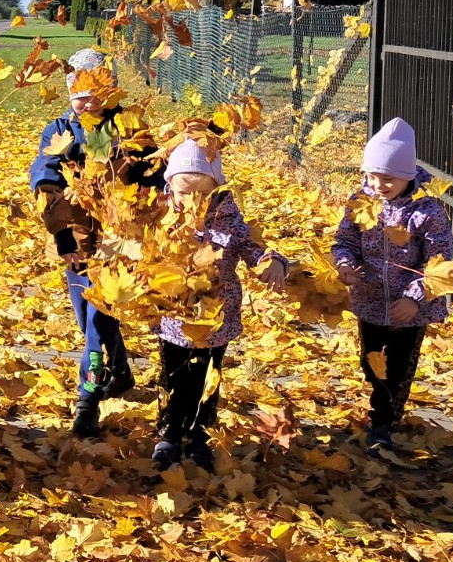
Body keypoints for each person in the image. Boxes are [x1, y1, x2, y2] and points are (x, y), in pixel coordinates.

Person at [28, 48, 164, 437]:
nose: (89, 102)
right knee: (86, 316)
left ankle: (87, 399)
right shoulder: (60, 131)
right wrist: (63, 234)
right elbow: (46, 179)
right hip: (77, 239)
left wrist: (153, 205)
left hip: (122, 238)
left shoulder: (129, 126)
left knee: (98, 321)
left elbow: (155, 173)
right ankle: (120, 372)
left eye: (98, 93)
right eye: (80, 94)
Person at [150, 140, 287, 472]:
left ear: (217, 189)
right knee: (174, 376)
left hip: (216, 318)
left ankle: (201, 435)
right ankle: (169, 434)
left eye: (203, 193)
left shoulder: (228, 219)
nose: (194, 202)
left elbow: (252, 247)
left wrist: (273, 261)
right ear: (170, 186)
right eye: (185, 193)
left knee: (208, 379)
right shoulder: (159, 215)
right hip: (174, 317)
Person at [332, 118, 453, 455]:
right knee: (371, 361)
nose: (379, 184)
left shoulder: (427, 211)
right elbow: (344, 241)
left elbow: (440, 261)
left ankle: (383, 422)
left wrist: (416, 297)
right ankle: (380, 402)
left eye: (388, 178)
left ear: (408, 176)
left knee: (398, 367)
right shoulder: (361, 201)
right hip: (370, 299)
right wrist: (345, 264)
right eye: (372, 176)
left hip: (410, 308)